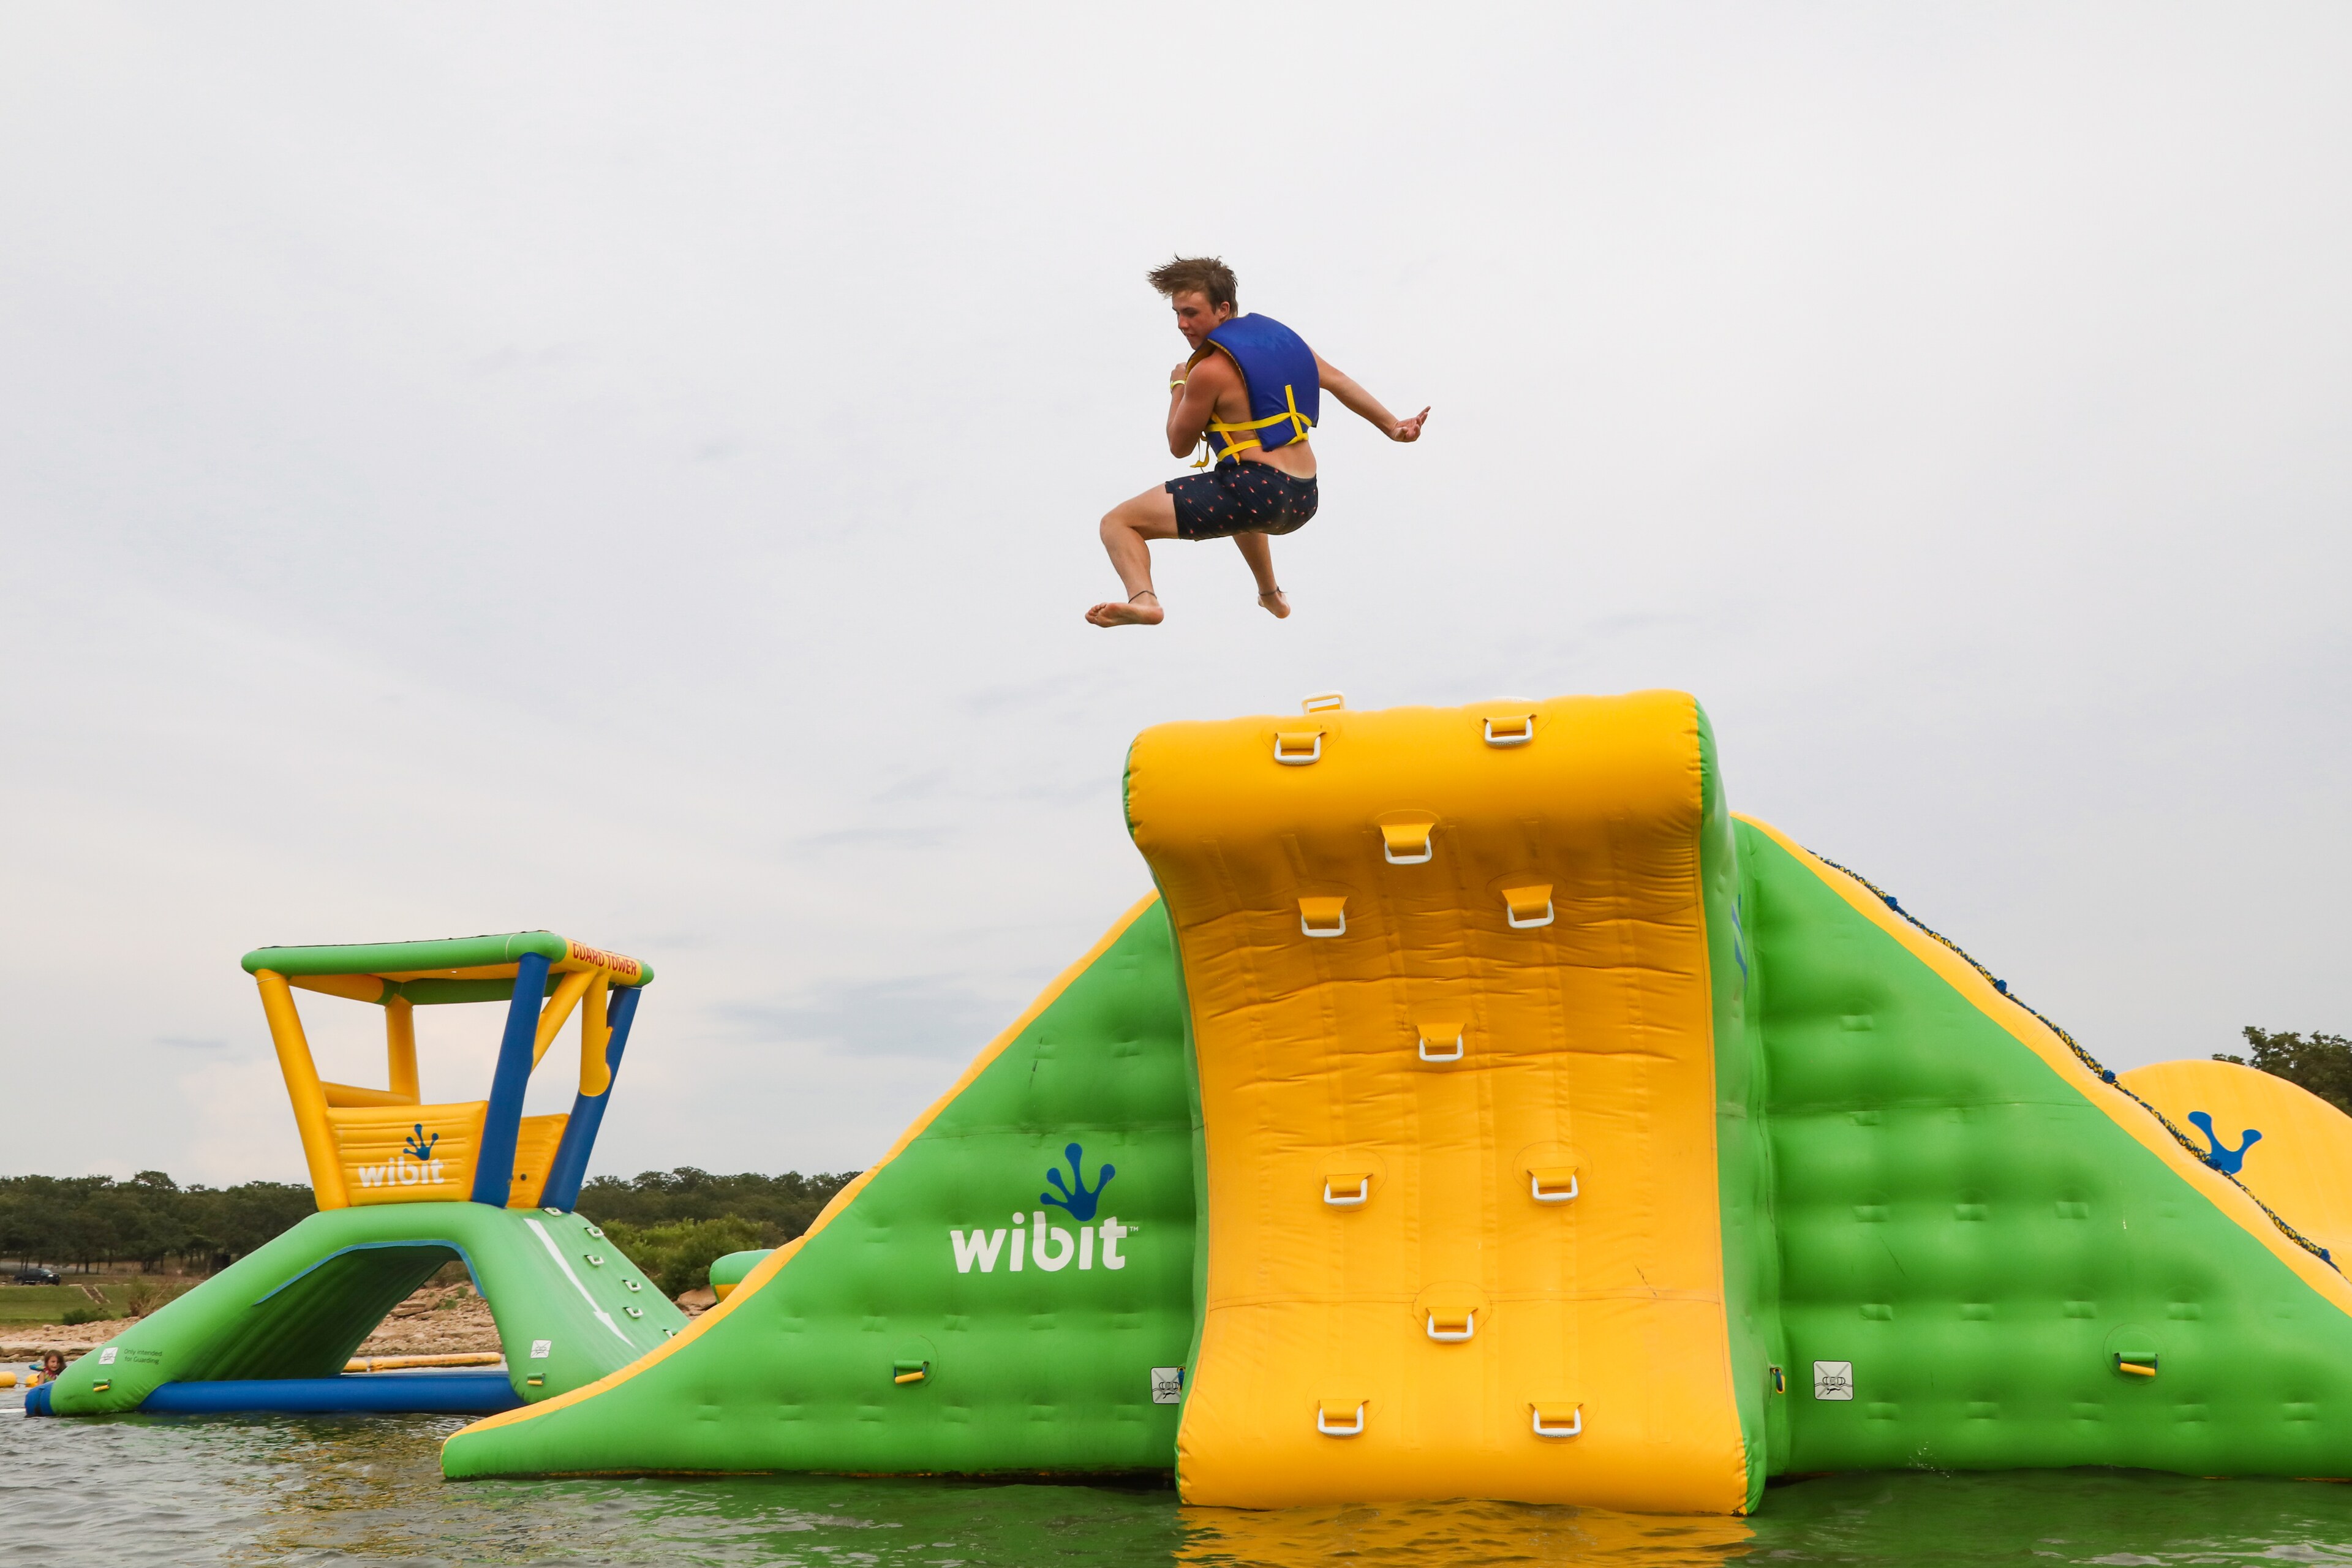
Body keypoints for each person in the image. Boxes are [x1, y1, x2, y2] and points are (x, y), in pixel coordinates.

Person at [1085, 257, 1428, 628]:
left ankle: (1144, 600)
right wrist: (1393, 426)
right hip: (1303, 496)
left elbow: (1179, 445)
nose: (1182, 324)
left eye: (1191, 313)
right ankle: (1270, 594)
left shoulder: (1208, 371)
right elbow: (1339, 381)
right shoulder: (1284, 344)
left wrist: (1179, 385)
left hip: (1259, 490)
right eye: (1177, 314)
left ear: (1223, 308)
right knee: (1232, 484)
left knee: (1117, 523)